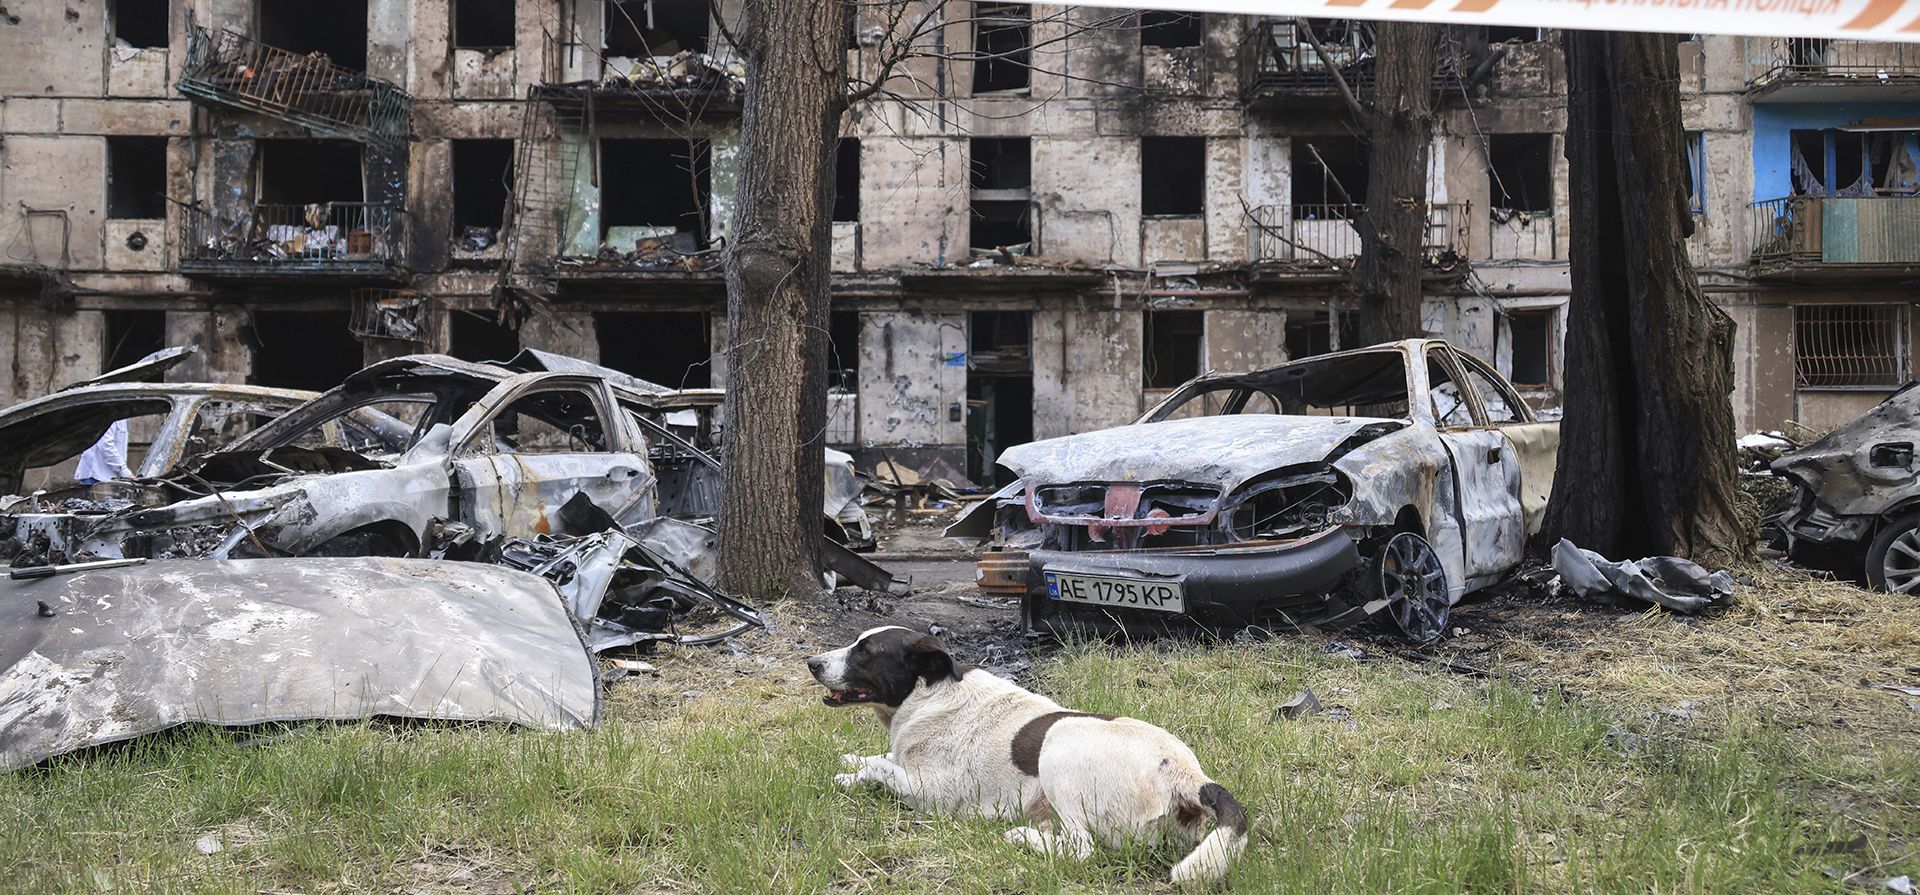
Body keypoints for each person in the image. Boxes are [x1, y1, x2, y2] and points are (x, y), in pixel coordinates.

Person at [75, 419, 133, 485]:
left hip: (108, 478)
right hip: (96, 477)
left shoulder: (122, 417)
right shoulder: (111, 413)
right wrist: (124, 472)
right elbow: (105, 444)